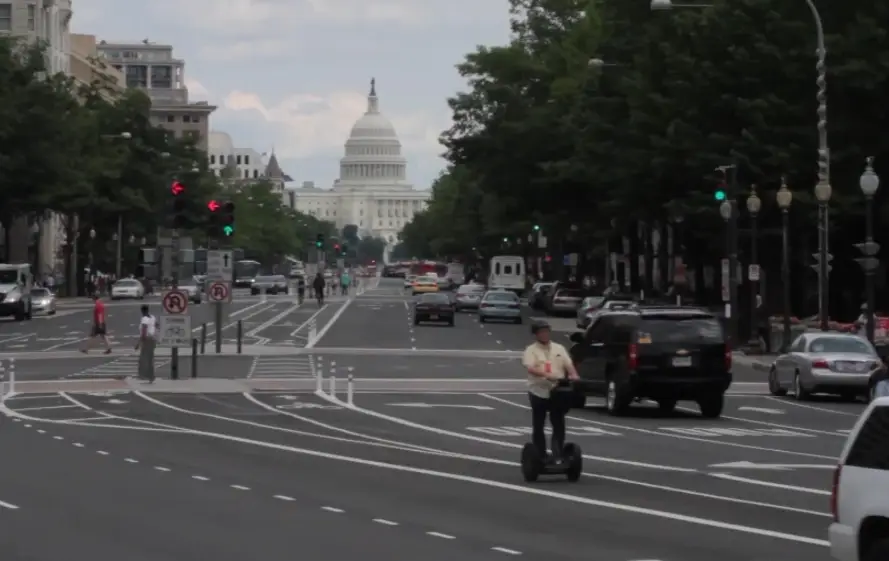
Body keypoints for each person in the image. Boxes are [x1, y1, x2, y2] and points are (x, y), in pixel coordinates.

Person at [522, 320, 579, 462]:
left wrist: (574, 375)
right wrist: (545, 375)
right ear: (536, 334)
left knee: (558, 422)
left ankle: (557, 454)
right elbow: (530, 368)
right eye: (541, 332)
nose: (545, 334)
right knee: (539, 424)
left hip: (557, 391)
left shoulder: (559, 348)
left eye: (546, 332)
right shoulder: (531, 350)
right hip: (538, 390)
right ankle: (540, 454)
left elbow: (568, 364)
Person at [135, 304, 157, 383]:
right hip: (152, 339)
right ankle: (151, 376)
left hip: (147, 339)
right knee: (150, 358)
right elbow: (156, 325)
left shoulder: (144, 319)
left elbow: (144, 331)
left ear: (142, 311)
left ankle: (145, 376)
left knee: (144, 359)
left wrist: (139, 343)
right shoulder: (152, 317)